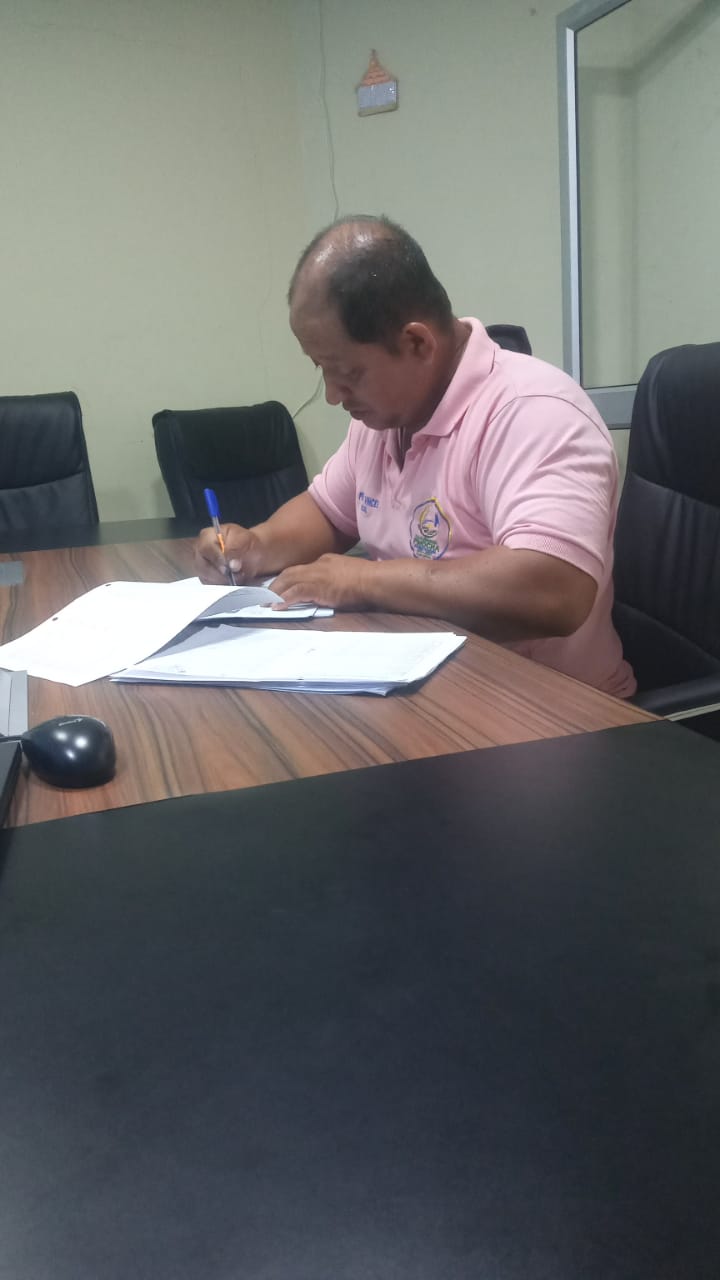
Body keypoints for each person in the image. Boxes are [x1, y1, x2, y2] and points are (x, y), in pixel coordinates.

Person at [195, 215, 635, 697]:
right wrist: (257, 546)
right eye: (321, 369)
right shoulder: (385, 419)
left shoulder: (533, 411)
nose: (333, 395)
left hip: (552, 711)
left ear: (417, 343)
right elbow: (327, 511)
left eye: (347, 373)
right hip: (425, 692)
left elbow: (555, 589)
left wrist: (365, 581)